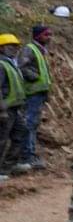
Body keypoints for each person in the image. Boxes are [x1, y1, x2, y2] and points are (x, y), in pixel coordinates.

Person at [18, 25, 53, 169]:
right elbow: (21, 67)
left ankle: (30, 154)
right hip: (31, 93)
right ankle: (27, 156)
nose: (49, 37)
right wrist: (35, 77)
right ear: (38, 36)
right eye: (46, 35)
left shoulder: (40, 50)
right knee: (29, 123)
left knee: (33, 124)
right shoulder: (30, 49)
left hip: (38, 93)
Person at [1, 34, 32, 175]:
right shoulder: (1, 65)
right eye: (11, 46)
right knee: (1, 139)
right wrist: (2, 111)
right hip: (5, 109)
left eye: (16, 46)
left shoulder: (10, 63)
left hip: (14, 108)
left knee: (21, 132)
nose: (14, 49)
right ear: (1, 48)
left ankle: (8, 166)